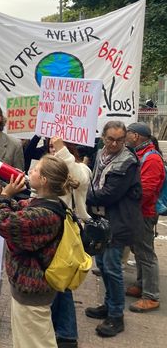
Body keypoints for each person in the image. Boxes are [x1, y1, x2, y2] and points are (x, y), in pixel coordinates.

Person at [0, 155, 78, 348]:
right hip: (32, 289)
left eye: (36, 169)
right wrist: (1, 195)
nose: (30, 171)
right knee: (29, 339)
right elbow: (18, 208)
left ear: (45, 180)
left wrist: (5, 196)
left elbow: (2, 221)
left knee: (35, 341)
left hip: (32, 291)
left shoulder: (44, 213)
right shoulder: (47, 203)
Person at [85, 121, 142, 337]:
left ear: (126, 138)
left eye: (119, 139)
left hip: (118, 222)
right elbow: (95, 181)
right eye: (110, 139)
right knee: (103, 264)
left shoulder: (128, 161)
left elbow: (110, 193)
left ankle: (117, 316)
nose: (115, 143)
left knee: (112, 269)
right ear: (103, 137)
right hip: (102, 219)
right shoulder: (101, 153)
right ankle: (108, 306)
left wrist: (82, 195)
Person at [48, 136, 92, 348]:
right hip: (50, 231)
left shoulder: (80, 169)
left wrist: (62, 151)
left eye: (56, 147)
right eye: (50, 147)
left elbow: (79, 179)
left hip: (68, 233)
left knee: (62, 281)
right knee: (54, 279)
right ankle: (57, 327)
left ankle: (66, 333)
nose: (53, 150)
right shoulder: (45, 168)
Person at [124, 122, 163, 312]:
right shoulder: (141, 154)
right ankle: (141, 285)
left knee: (146, 254)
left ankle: (151, 296)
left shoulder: (152, 159)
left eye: (128, 133)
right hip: (138, 212)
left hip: (144, 213)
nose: (125, 137)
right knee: (139, 251)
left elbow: (146, 191)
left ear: (136, 136)